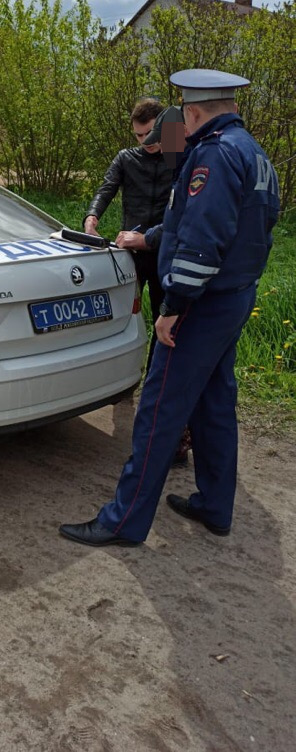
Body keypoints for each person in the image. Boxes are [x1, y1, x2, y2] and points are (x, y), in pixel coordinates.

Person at [60, 68, 280, 547]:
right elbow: (230, 225)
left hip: (202, 303)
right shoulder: (254, 153)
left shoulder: (213, 156)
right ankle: (215, 504)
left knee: (158, 409)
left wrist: (174, 305)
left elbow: (202, 242)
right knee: (214, 402)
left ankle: (123, 522)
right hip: (236, 296)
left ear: (193, 112)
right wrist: (154, 238)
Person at [84, 98, 174, 371]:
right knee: (122, 316)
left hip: (164, 251)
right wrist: (91, 217)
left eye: (150, 133)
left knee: (163, 316)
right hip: (131, 253)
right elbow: (106, 188)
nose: (145, 140)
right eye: (138, 135)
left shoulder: (180, 158)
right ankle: (119, 376)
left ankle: (154, 377)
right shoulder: (126, 157)